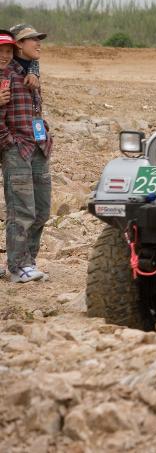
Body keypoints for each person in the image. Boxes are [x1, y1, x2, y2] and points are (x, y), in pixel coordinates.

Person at [1, 25, 53, 283]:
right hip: (17, 150)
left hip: (39, 148)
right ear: (18, 44)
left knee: (42, 210)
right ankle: (17, 266)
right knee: (21, 211)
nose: (38, 43)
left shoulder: (31, 70)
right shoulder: (4, 74)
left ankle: (29, 261)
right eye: (32, 39)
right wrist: (8, 142)